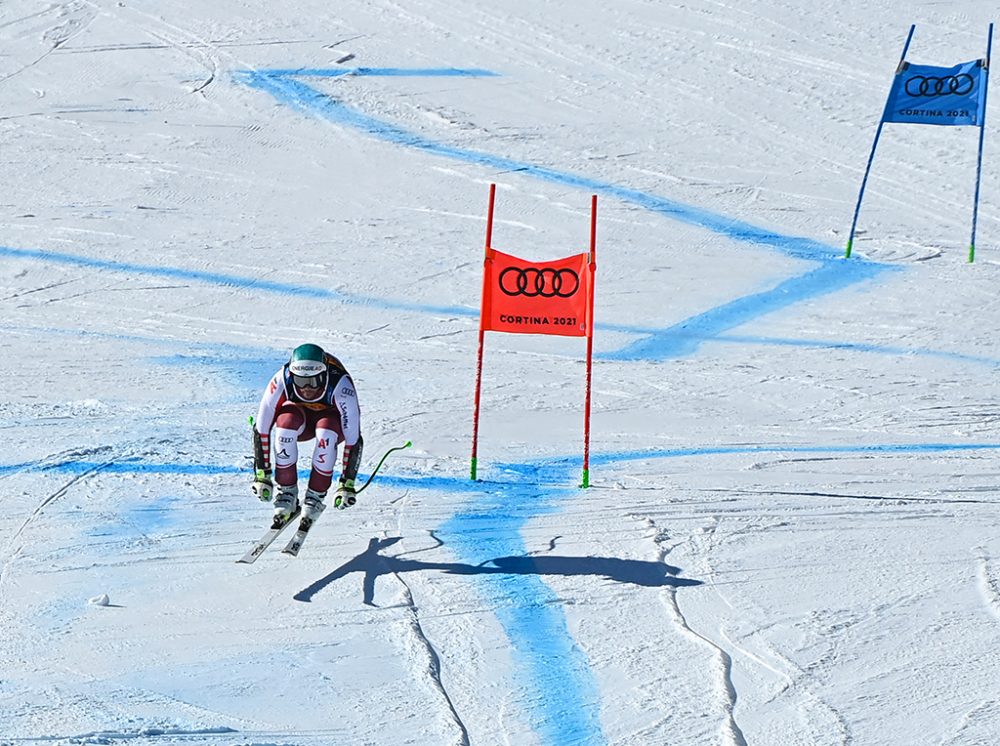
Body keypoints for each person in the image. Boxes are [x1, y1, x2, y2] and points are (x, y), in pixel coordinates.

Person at [250, 343, 363, 527]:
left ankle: (315, 496)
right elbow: (262, 428)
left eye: (314, 381)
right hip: (300, 419)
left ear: (325, 375)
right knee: (284, 426)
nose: (307, 388)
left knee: (326, 433)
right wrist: (263, 475)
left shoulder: (341, 385)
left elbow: (353, 438)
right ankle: (287, 491)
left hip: (330, 421)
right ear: (292, 376)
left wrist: (346, 483)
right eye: (301, 382)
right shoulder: (282, 379)